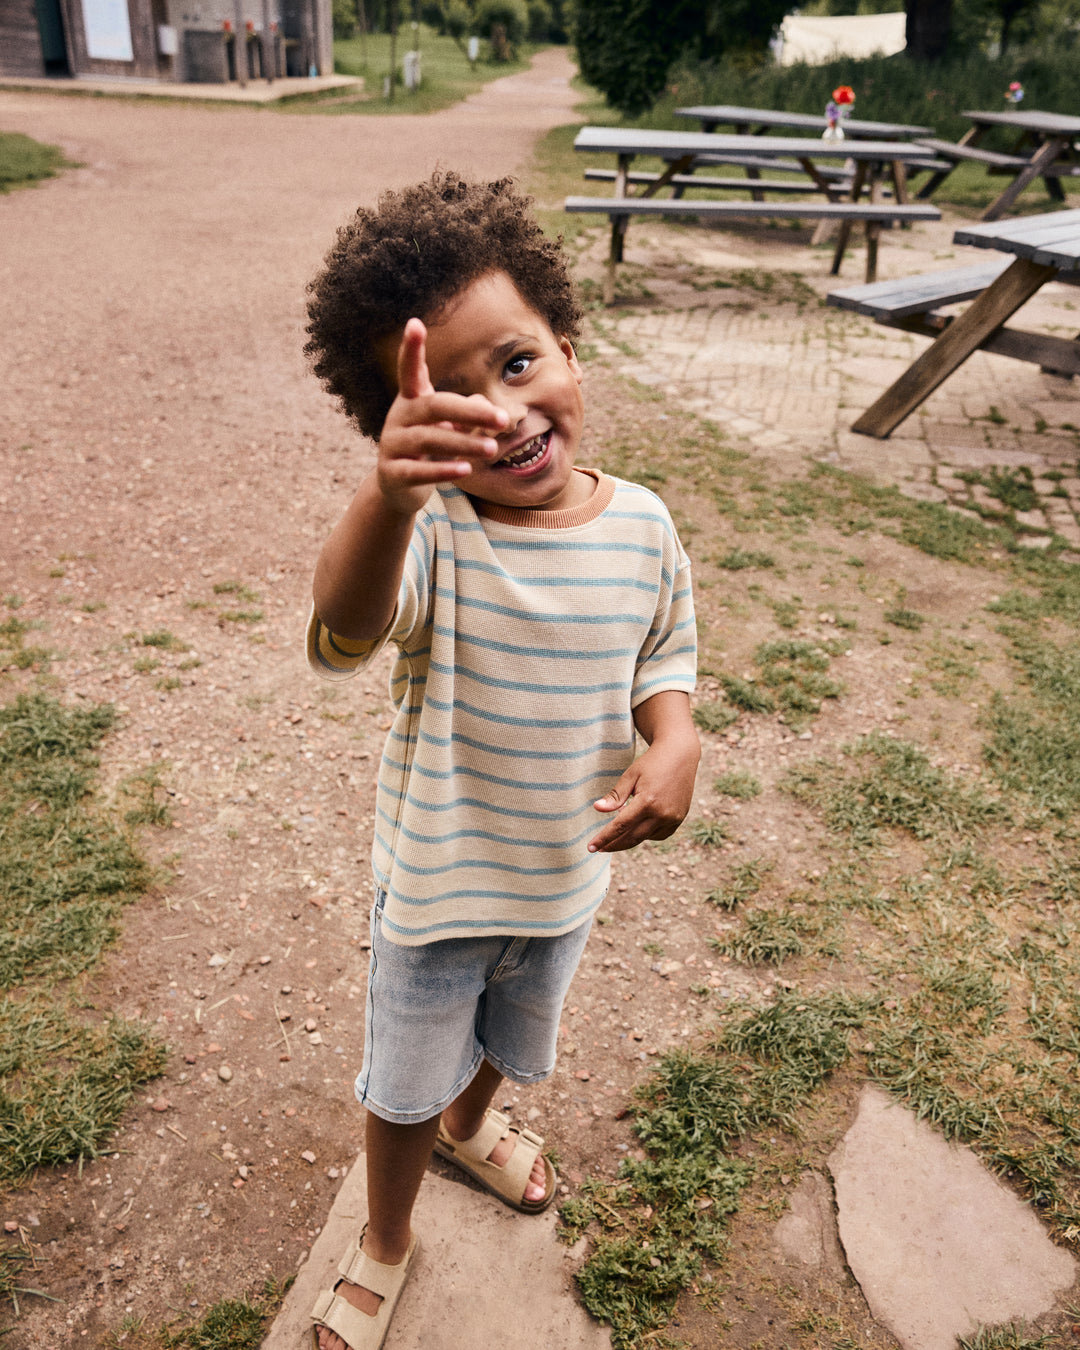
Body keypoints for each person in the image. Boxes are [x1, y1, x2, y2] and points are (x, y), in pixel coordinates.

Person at [303, 171, 700, 1350]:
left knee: (511, 1043)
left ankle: (474, 1129)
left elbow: (662, 651)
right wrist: (388, 502)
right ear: (403, 429)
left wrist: (676, 734)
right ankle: (386, 1239)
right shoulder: (437, 536)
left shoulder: (644, 524)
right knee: (403, 1086)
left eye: (518, 364)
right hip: (438, 896)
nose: (503, 415)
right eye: (451, 400)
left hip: (562, 882)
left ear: (568, 351)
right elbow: (342, 634)